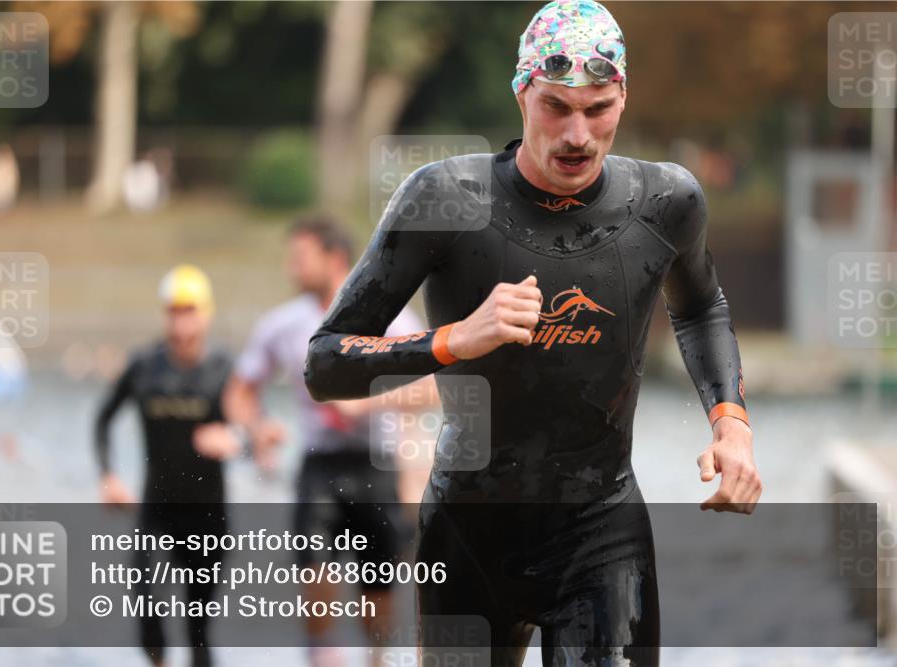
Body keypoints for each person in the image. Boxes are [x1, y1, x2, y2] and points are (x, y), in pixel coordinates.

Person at [303, 2, 762, 666]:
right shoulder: (445, 199)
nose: (577, 134)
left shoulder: (667, 202)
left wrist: (731, 422)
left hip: (600, 527)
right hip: (470, 530)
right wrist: (454, 340)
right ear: (521, 93)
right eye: (556, 107)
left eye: (597, 108)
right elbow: (325, 362)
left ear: (623, 98)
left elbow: (700, 308)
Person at [227, 216, 434, 667]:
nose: (291, 268)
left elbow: (433, 389)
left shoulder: (391, 318)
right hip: (319, 465)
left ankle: (376, 658)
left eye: (300, 258)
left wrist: (367, 403)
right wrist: (257, 427)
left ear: (335, 259)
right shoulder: (282, 324)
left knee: (377, 598)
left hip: (378, 466)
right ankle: (320, 657)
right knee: (314, 571)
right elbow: (240, 392)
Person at [94, 264, 240, 667]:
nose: (181, 320)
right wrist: (108, 476)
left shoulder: (224, 369)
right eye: (173, 310)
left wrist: (236, 441)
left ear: (206, 314)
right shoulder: (144, 365)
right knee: (146, 608)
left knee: (197, 631)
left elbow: (253, 429)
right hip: (155, 512)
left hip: (208, 518)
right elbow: (103, 418)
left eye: (189, 310)